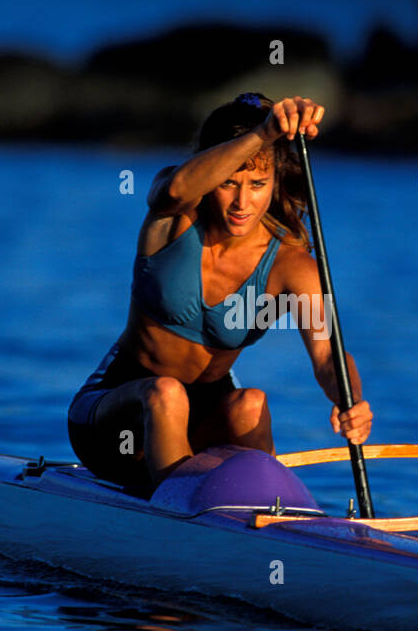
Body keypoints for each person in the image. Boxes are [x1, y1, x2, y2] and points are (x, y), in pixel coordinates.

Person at [67, 93, 372, 492]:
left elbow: (327, 356)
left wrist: (351, 400)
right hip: (112, 423)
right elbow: (176, 189)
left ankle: (271, 523)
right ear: (212, 172)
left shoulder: (292, 267)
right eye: (229, 183)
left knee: (251, 403)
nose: (243, 203)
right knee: (167, 392)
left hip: (203, 429)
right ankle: (179, 513)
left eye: (258, 184)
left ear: (276, 180)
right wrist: (265, 133)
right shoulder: (173, 216)